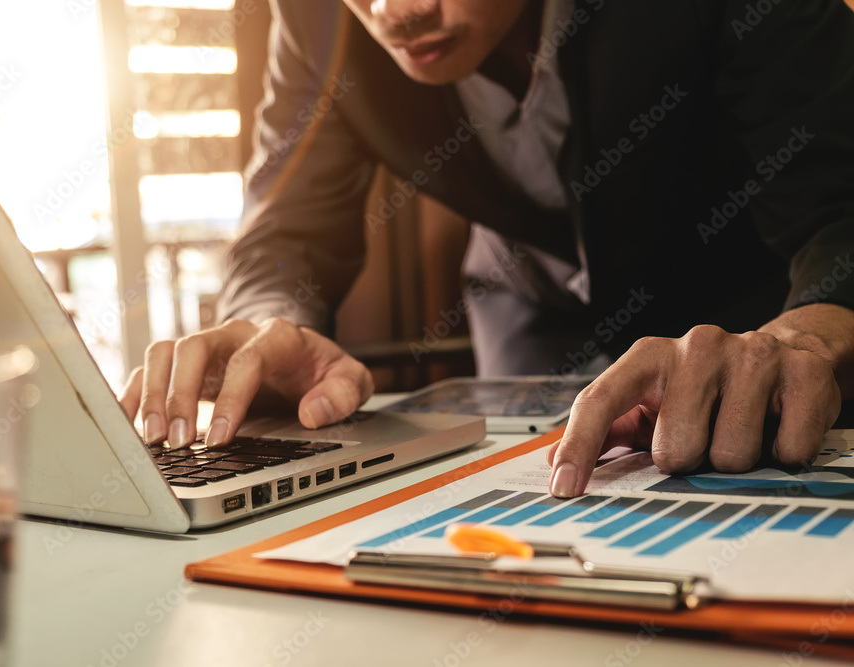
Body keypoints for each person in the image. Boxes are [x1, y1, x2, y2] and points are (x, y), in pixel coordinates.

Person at [119, 0, 854, 499]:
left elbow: (838, 193)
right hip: (522, 299)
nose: (396, 12)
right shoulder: (313, 15)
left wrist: (804, 338)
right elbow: (287, 223)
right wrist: (265, 318)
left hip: (744, 312)